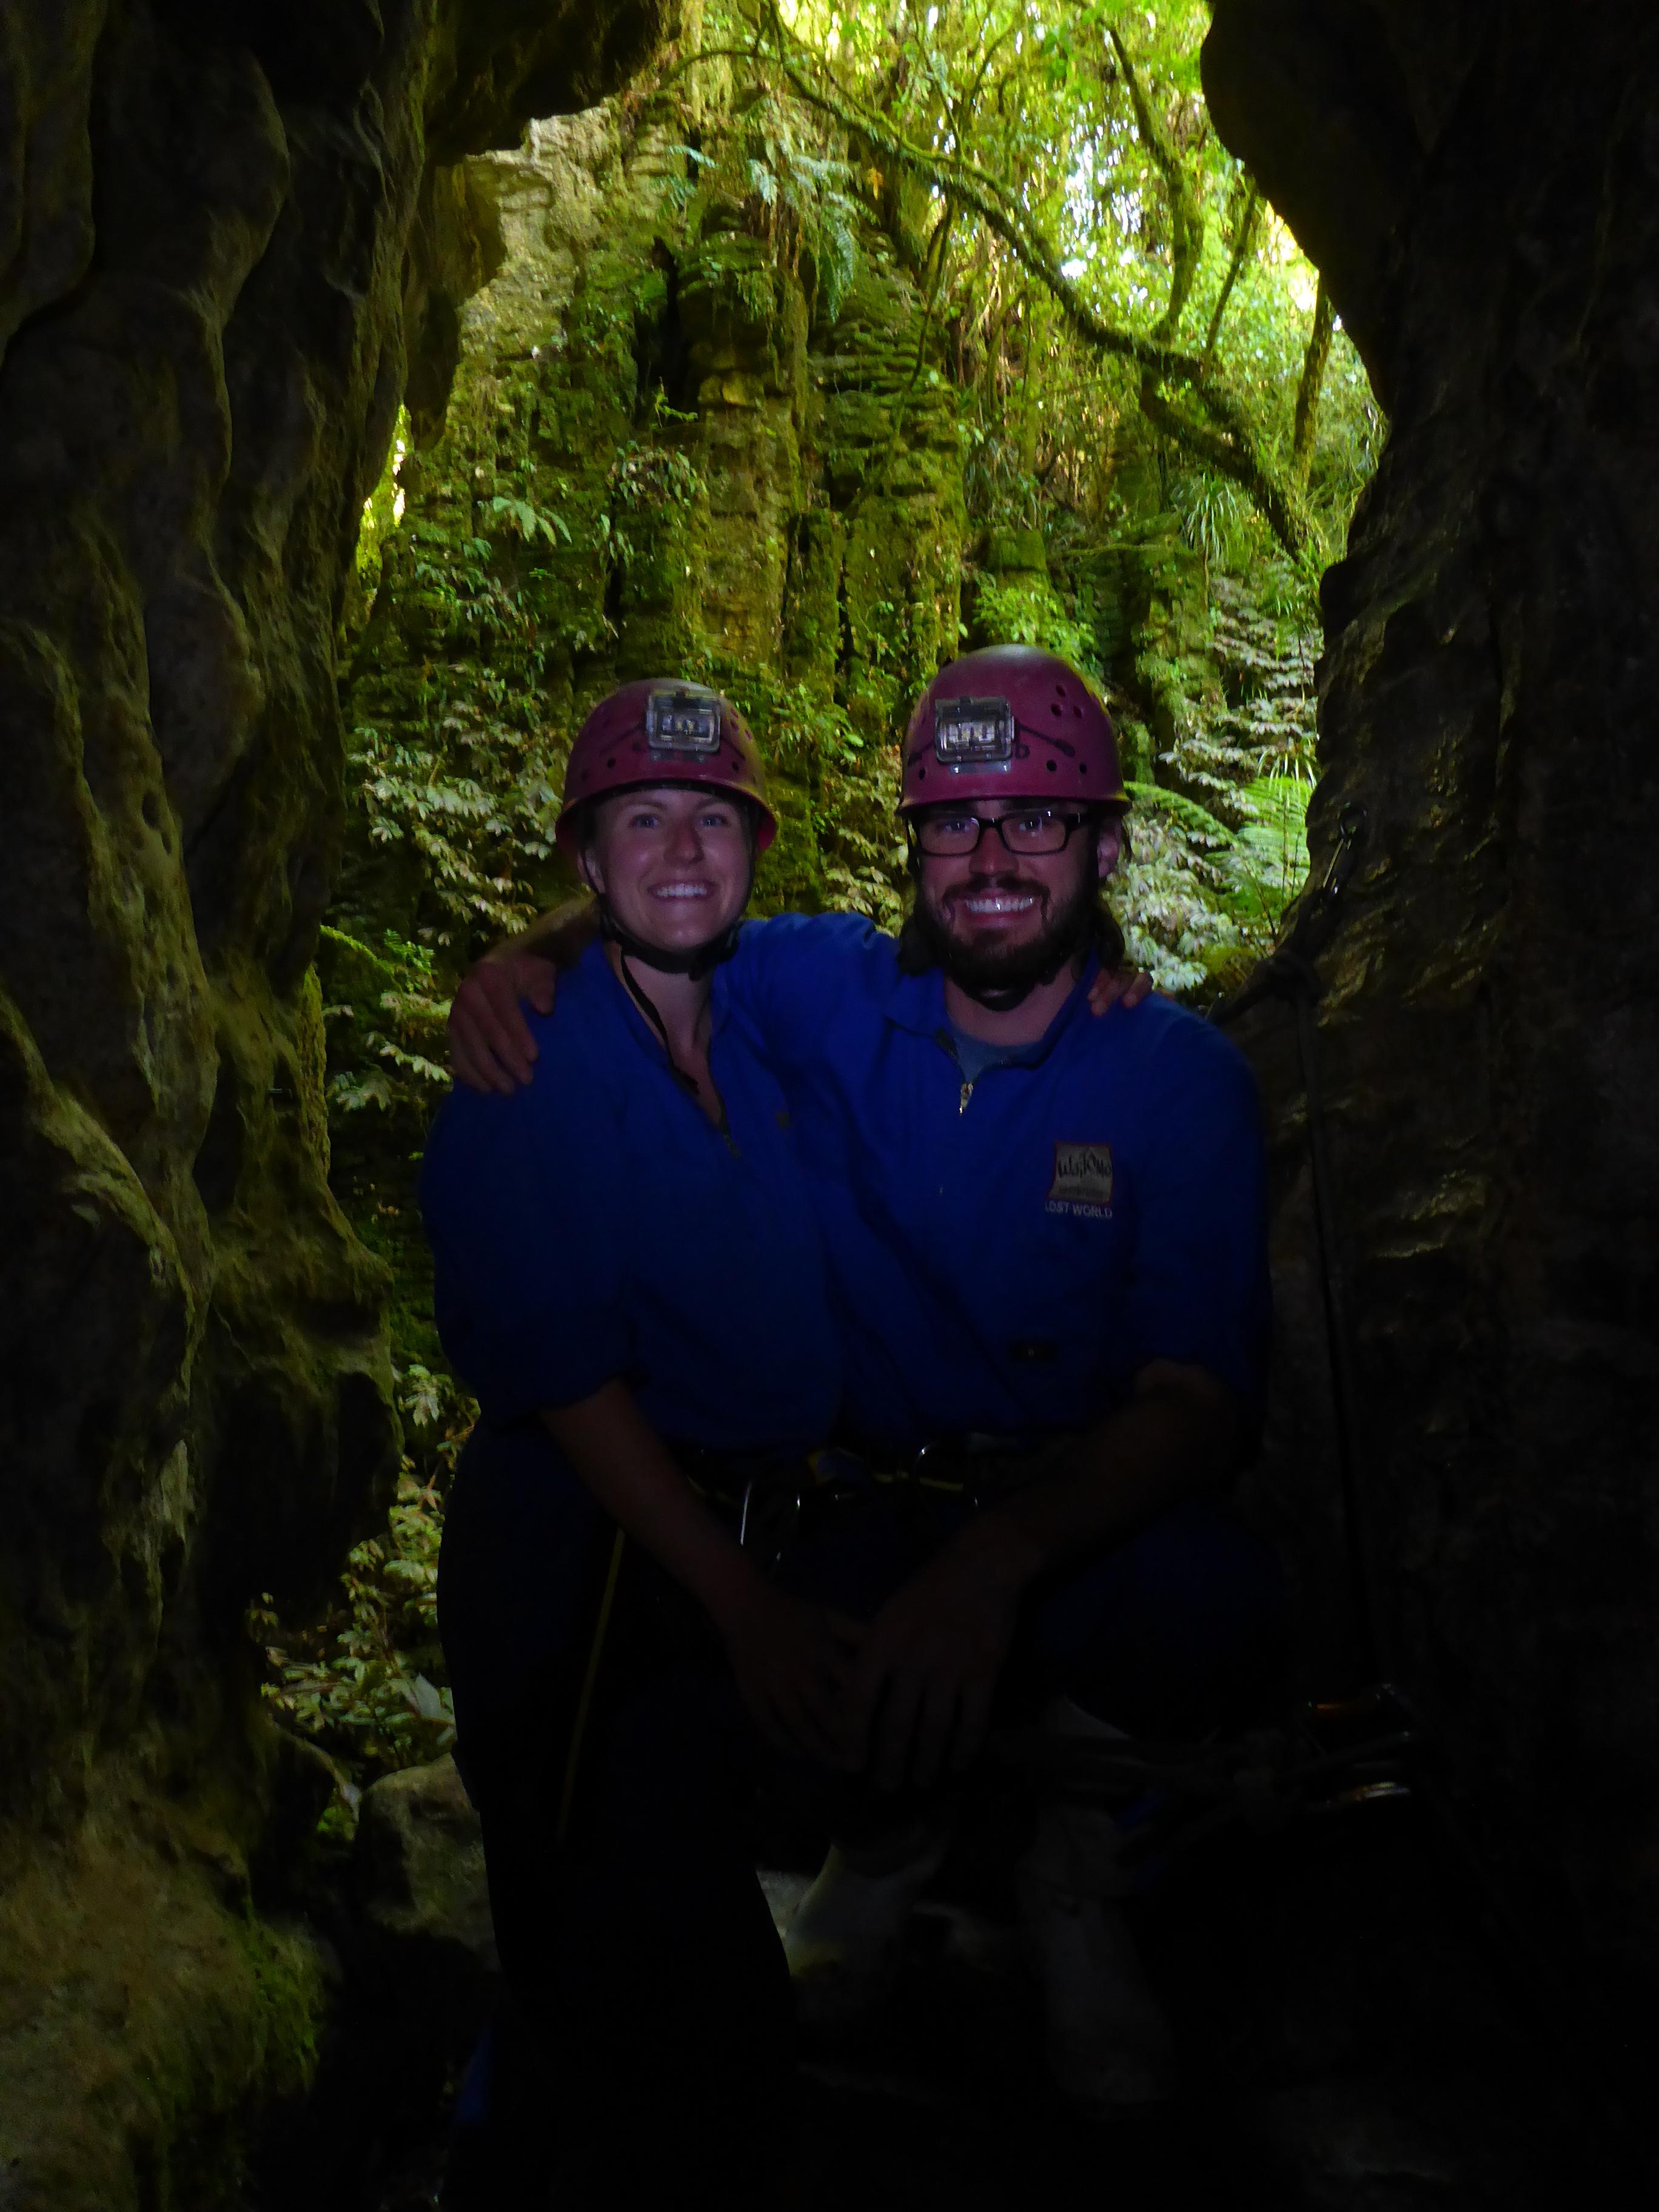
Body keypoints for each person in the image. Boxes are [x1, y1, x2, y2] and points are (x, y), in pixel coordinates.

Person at [447, 646, 1287, 2117]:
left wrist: (1002, 1561)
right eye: (957, 823)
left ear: (1105, 843)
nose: (993, 862)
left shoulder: (1176, 1076)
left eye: (1039, 821)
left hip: (1065, 1518)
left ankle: (1077, 1879)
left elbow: (1199, 1399)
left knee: (1211, 1596)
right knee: (765, 1667)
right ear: (910, 847)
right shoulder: (817, 990)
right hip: (857, 1505)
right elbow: (652, 915)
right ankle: (886, 1848)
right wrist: (523, 959)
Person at [421, 679, 854, 2202]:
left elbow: (975, 947)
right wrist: (741, 1610)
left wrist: (1115, 973)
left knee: (633, 1955)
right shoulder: (526, 1072)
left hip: (732, 1548)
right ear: (588, 861)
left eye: (715, 817)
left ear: (756, 847)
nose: (685, 850)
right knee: (670, 2012)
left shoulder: (772, 1020)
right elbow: (569, 1382)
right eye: (644, 820)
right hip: (582, 1581)